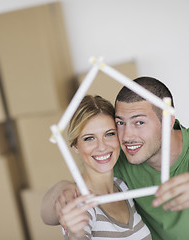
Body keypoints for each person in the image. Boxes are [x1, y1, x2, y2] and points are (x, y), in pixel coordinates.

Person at [41, 77, 189, 240]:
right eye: (120, 123)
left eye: (139, 122)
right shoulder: (120, 162)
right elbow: (52, 215)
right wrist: (64, 189)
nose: (126, 136)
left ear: (167, 121)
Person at [60, 95, 152, 239]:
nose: (102, 147)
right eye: (89, 138)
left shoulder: (123, 187)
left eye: (109, 134)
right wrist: (75, 235)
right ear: (75, 145)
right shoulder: (80, 202)